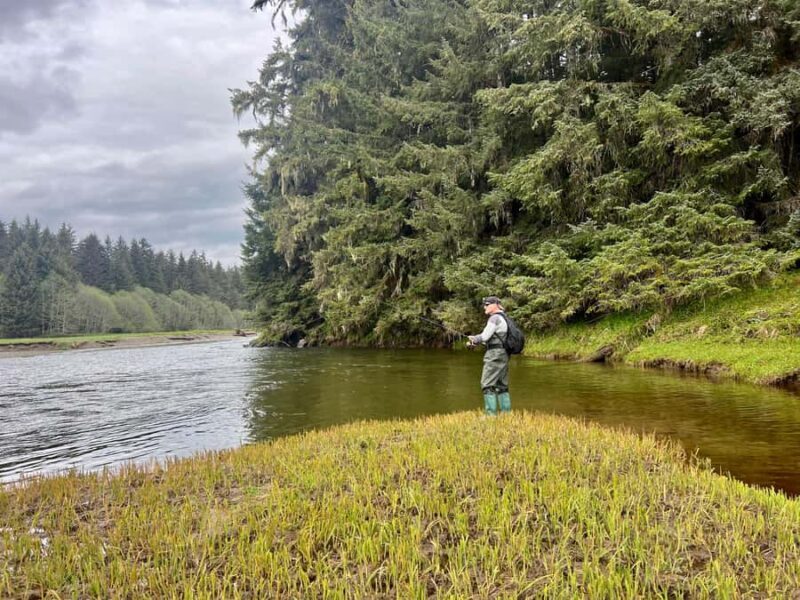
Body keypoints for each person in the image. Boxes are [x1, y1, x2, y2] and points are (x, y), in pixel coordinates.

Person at [467, 296, 511, 415]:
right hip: (504, 354)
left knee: (487, 384)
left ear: (494, 305)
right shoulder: (504, 318)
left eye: (487, 304)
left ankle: (491, 416)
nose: (484, 307)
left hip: (494, 355)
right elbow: (492, 337)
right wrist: (477, 340)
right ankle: (506, 414)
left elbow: (485, 337)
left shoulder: (494, 318)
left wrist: (474, 339)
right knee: (502, 384)